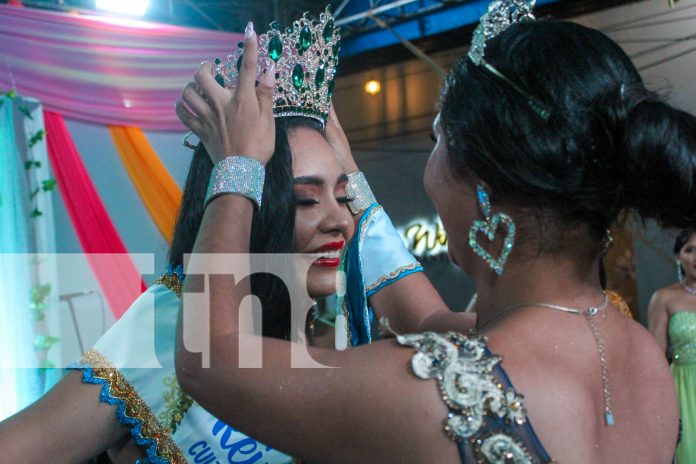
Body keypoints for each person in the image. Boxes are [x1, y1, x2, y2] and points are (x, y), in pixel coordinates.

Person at [174, 1, 690, 462]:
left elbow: (210, 357)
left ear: (483, 189)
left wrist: (238, 164)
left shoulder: (445, 390)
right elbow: (424, 316)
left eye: (436, 140)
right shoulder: (639, 352)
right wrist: (356, 186)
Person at [0, 9, 463, 463]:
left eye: (345, 198)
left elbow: (435, 329)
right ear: (245, 207)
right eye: (305, 200)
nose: (340, 222)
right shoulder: (168, 328)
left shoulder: (348, 336)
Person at [649, 228, 696, 463]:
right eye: (690, 250)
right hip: (684, 390)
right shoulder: (664, 297)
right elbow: (655, 357)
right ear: (678, 256)